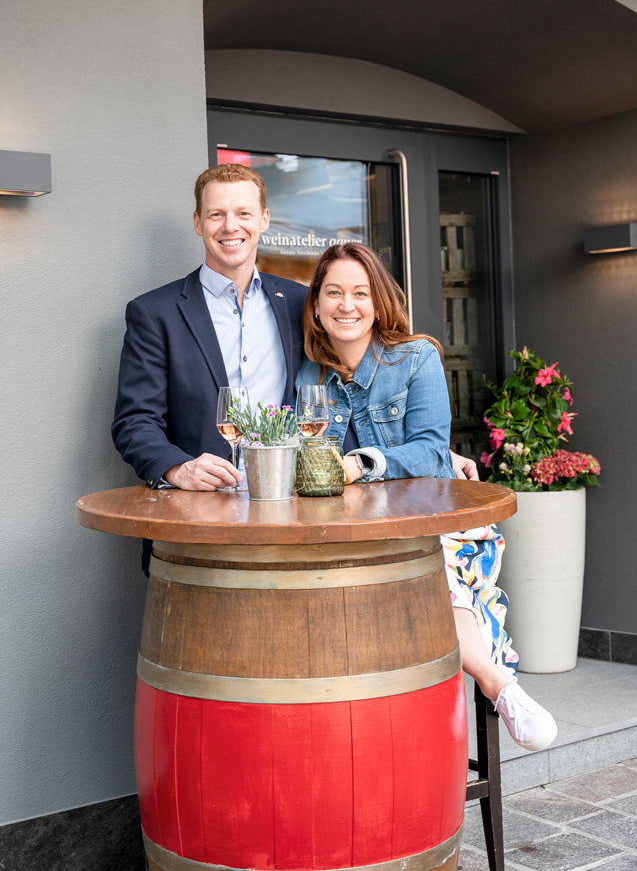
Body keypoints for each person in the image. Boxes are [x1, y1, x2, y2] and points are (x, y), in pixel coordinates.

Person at [296, 242, 558, 752]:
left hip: (434, 524)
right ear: (316, 306)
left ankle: (496, 684)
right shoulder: (312, 376)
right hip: (359, 536)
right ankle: (496, 687)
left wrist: (360, 464)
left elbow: (430, 450)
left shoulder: (416, 358)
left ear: (378, 303)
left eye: (359, 293)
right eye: (333, 293)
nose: (346, 305)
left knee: (424, 564)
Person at [112, 161, 476, 500]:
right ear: (197, 222)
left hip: (291, 504)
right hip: (202, 509)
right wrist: (178, 468)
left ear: (265, 219)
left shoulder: (299, 302)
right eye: (216, 215)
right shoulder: (154, 313)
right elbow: (134, 422)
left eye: (243, 213)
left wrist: (433, 449)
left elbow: (346, 389)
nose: (230, 226)